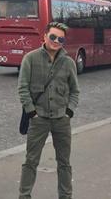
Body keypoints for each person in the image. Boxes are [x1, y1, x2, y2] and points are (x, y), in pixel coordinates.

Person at [18, 22, 80, 199]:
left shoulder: (68, 63)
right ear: (44, 36)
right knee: (31, 161)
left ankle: (66, 196)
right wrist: (32, 112)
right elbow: (22, 88)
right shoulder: (30, 59)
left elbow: (75, 91)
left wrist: (69, 112)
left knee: (64, 162)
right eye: (53, 37)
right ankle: (24, 196)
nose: (56, 41)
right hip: (39, 119)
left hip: (61, 119)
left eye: (60, 39)